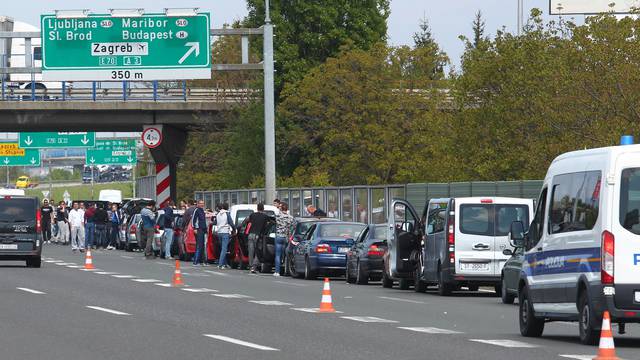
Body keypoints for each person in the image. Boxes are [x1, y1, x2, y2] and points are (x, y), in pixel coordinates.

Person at [247, 203, 269, 273]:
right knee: (258, 251)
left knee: (251, 251)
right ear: (263, 209)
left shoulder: (252, 215)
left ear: (257, 208)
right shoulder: (265, 216)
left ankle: (250, 266)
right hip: (258, 236)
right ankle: (254, 266)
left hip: (251, 235)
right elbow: (267, 226)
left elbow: (248, 222)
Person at [274, 202, 295, 277]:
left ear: (281, 208)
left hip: (279, 236)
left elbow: (274, 223)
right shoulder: (291, 217)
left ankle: (277, 271)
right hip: (286, 237)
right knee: (286, 254)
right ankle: (286, 270)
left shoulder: (278, 216)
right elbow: (293, 227)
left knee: (278, 255)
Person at [215, 203, 235, 269]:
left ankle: (225, 263)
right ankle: (220, 264)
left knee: (222, 249)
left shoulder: (218, 214)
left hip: (219, 232)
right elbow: (231, 223)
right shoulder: (227, 214)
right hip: (225, 232)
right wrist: (234, 229)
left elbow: (215, 222)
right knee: (224, 249)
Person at [191, 200, 207, 266]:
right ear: (198, 204)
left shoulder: (202, 211)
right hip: (198, 229)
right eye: (200, 203)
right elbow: (193, 220)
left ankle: (202, 261)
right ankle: (196, 261)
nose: (202, 204)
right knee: (199, 246)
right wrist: (194, 228)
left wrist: (205, 230)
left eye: (203, 203)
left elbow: (203, 221)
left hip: (203, 230)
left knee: (202, 246)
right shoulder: (196, 210)